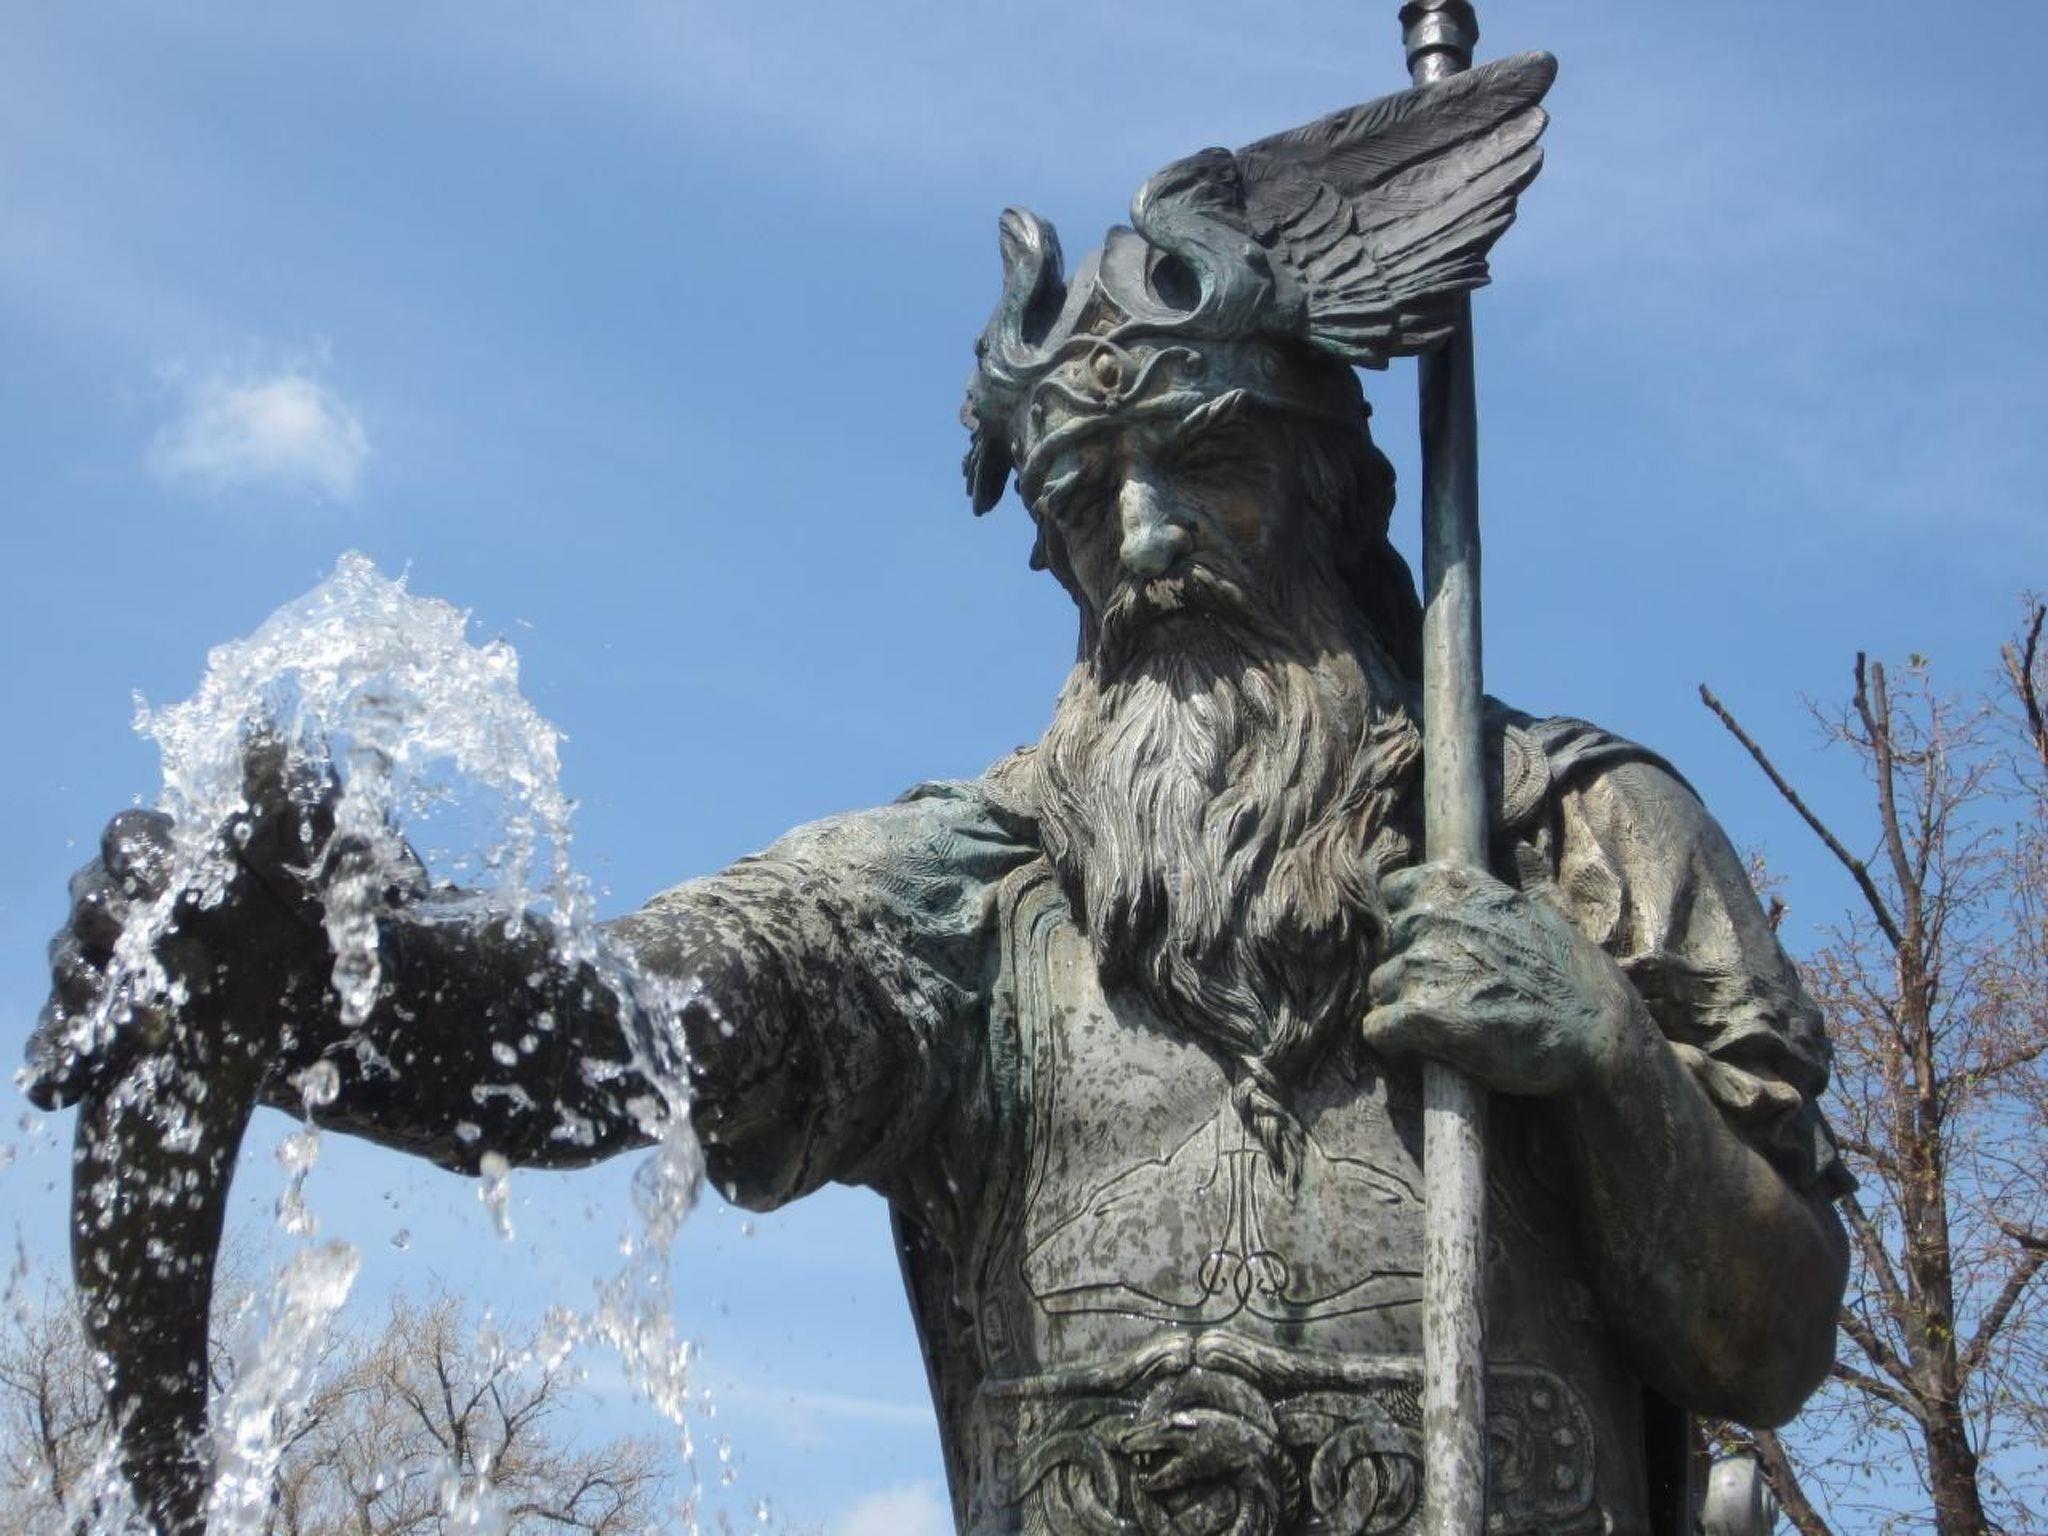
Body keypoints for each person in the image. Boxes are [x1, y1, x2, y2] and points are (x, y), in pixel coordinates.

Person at [26, 54, 1846, 1536]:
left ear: (1331, 491)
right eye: (1084, 497)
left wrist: (1606, 1057)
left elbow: (1768, 1345)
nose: (1143, 537)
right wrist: (347, 968)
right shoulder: (968, 900)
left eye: (1202, 461)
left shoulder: (1570, 834)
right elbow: (635, 1032)